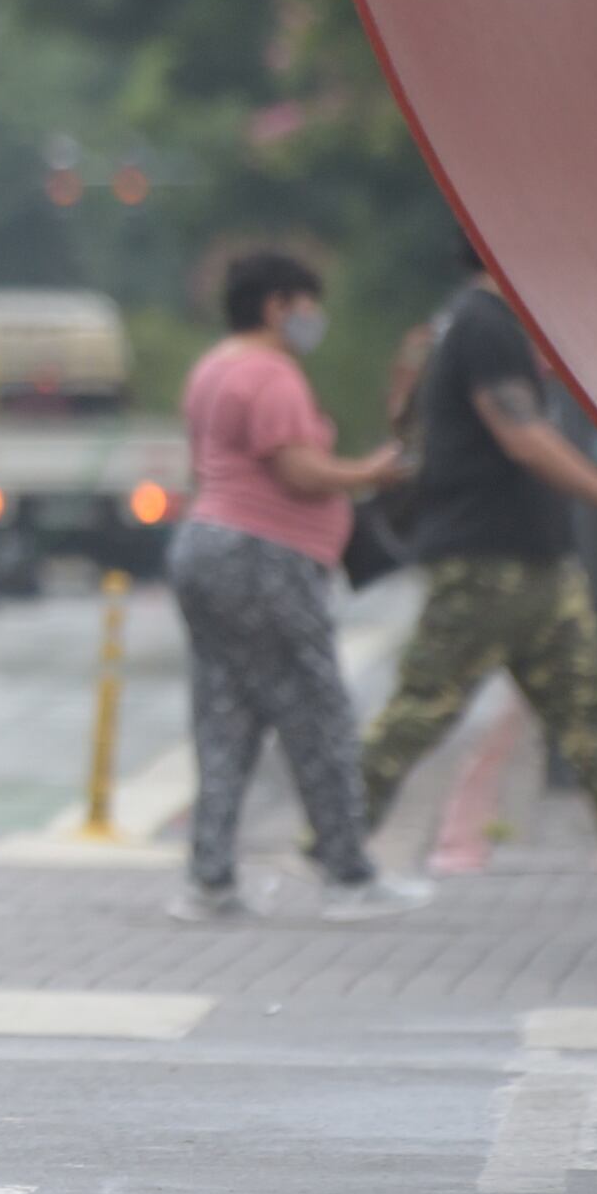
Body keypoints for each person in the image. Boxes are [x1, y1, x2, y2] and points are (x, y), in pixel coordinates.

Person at [354, 234, 597, 886]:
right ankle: (334, 838)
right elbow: (522, 437)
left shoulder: (491, 322)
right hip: (486, 560)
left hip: (536, 559)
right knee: (423, 707)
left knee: (589, 713)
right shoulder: (484, 324)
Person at [165, 248, 419, 925]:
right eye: (307, 304)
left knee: (227, 717)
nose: (314, 318)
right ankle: (348, 875)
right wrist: (369, 472)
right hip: (264, 553)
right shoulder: (270, 375)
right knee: (317, 710)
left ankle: (209, 879)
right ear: (278, 305)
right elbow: (298, 472)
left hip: (205, 545)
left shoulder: (212, 369)